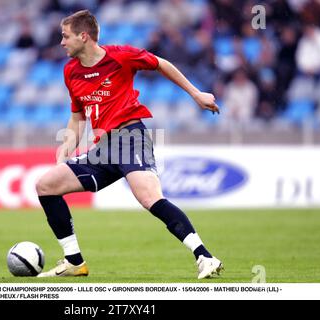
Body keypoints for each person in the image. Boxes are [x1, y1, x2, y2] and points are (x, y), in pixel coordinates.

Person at [35, 10, 222, 279]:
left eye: (65, 36)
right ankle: (74, 261)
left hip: (130, 137)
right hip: (102, 149)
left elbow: (160, 64)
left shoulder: (121, 56)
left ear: (83, 36)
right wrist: (66, 148)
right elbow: (78, 116)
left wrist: (196, 94)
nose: (61, 42)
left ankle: (204, 256)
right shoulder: (71, 71)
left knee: (148, 198)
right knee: (46, 186)